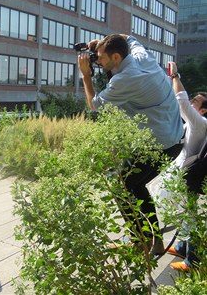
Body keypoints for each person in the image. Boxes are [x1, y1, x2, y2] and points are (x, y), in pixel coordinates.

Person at [78, 34, 184, 254]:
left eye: (101, 59)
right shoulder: (139, 55)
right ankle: (149, 240)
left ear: (116, 56)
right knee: (133, 184)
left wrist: (85, 76)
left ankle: (142, 242)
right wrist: (101, 43)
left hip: (161, 143)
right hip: (172, 136)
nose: (98, 62)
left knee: (122, 183)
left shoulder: (125, 79)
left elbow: (94, 105)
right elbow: (128, 37)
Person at [165, 61, 207, 271]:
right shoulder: (196, 123)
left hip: (187, 175)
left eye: (196, 101)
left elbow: (181, 101)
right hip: (185, 174)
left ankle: (193, 261)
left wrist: (176, 77)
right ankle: (182, 246)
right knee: (183, 212)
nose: (191, 102)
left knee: (188, 215)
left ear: (203, 109)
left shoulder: (200, 123)